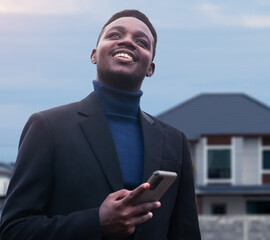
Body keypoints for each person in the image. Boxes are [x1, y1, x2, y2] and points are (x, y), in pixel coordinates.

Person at [0, 9, 201, 239]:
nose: (127, 41)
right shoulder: (47, 127)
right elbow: (13, 230)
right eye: (115, 35)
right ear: (94, 54)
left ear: (151, 69)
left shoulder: (174, 141)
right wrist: (96, 222)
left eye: (141, 41)